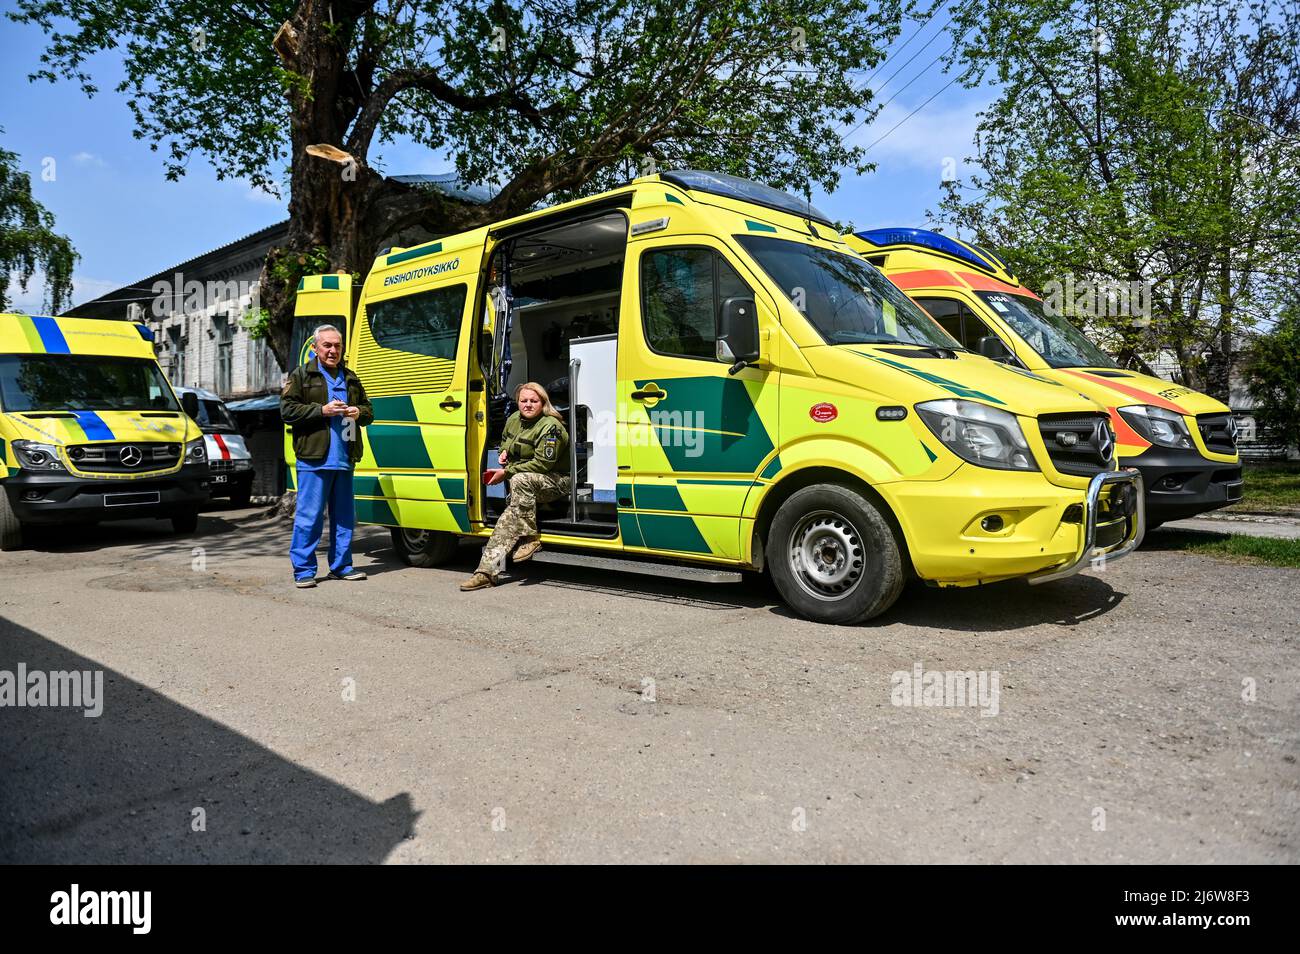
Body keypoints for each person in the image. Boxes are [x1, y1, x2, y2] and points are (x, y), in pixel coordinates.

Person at [280, 323, 374, 588]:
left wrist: (358, 412)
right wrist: (322, 410)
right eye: (327, 345)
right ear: (315, 348)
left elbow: (369, 410)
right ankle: (304, 571)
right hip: (314, 458)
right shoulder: (301, 375)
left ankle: (342, 566)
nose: (333, 350)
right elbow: (287, 411)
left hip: (345, 457)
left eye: (337, 346)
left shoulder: (351, 377)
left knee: (344, 517)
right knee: (309, 517)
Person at [461, 382, 570, 591]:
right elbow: (505, 441)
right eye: (524, 400)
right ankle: (486, 572)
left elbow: (543, 464)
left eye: (533, 401)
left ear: (543, 403)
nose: (528, 405)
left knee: (519, 480)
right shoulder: (513, 420)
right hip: (525, 487)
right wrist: (504, 452)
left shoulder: (551, 426)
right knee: (510, 517)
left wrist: (506, 472)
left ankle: (530, 537)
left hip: (555, 481)